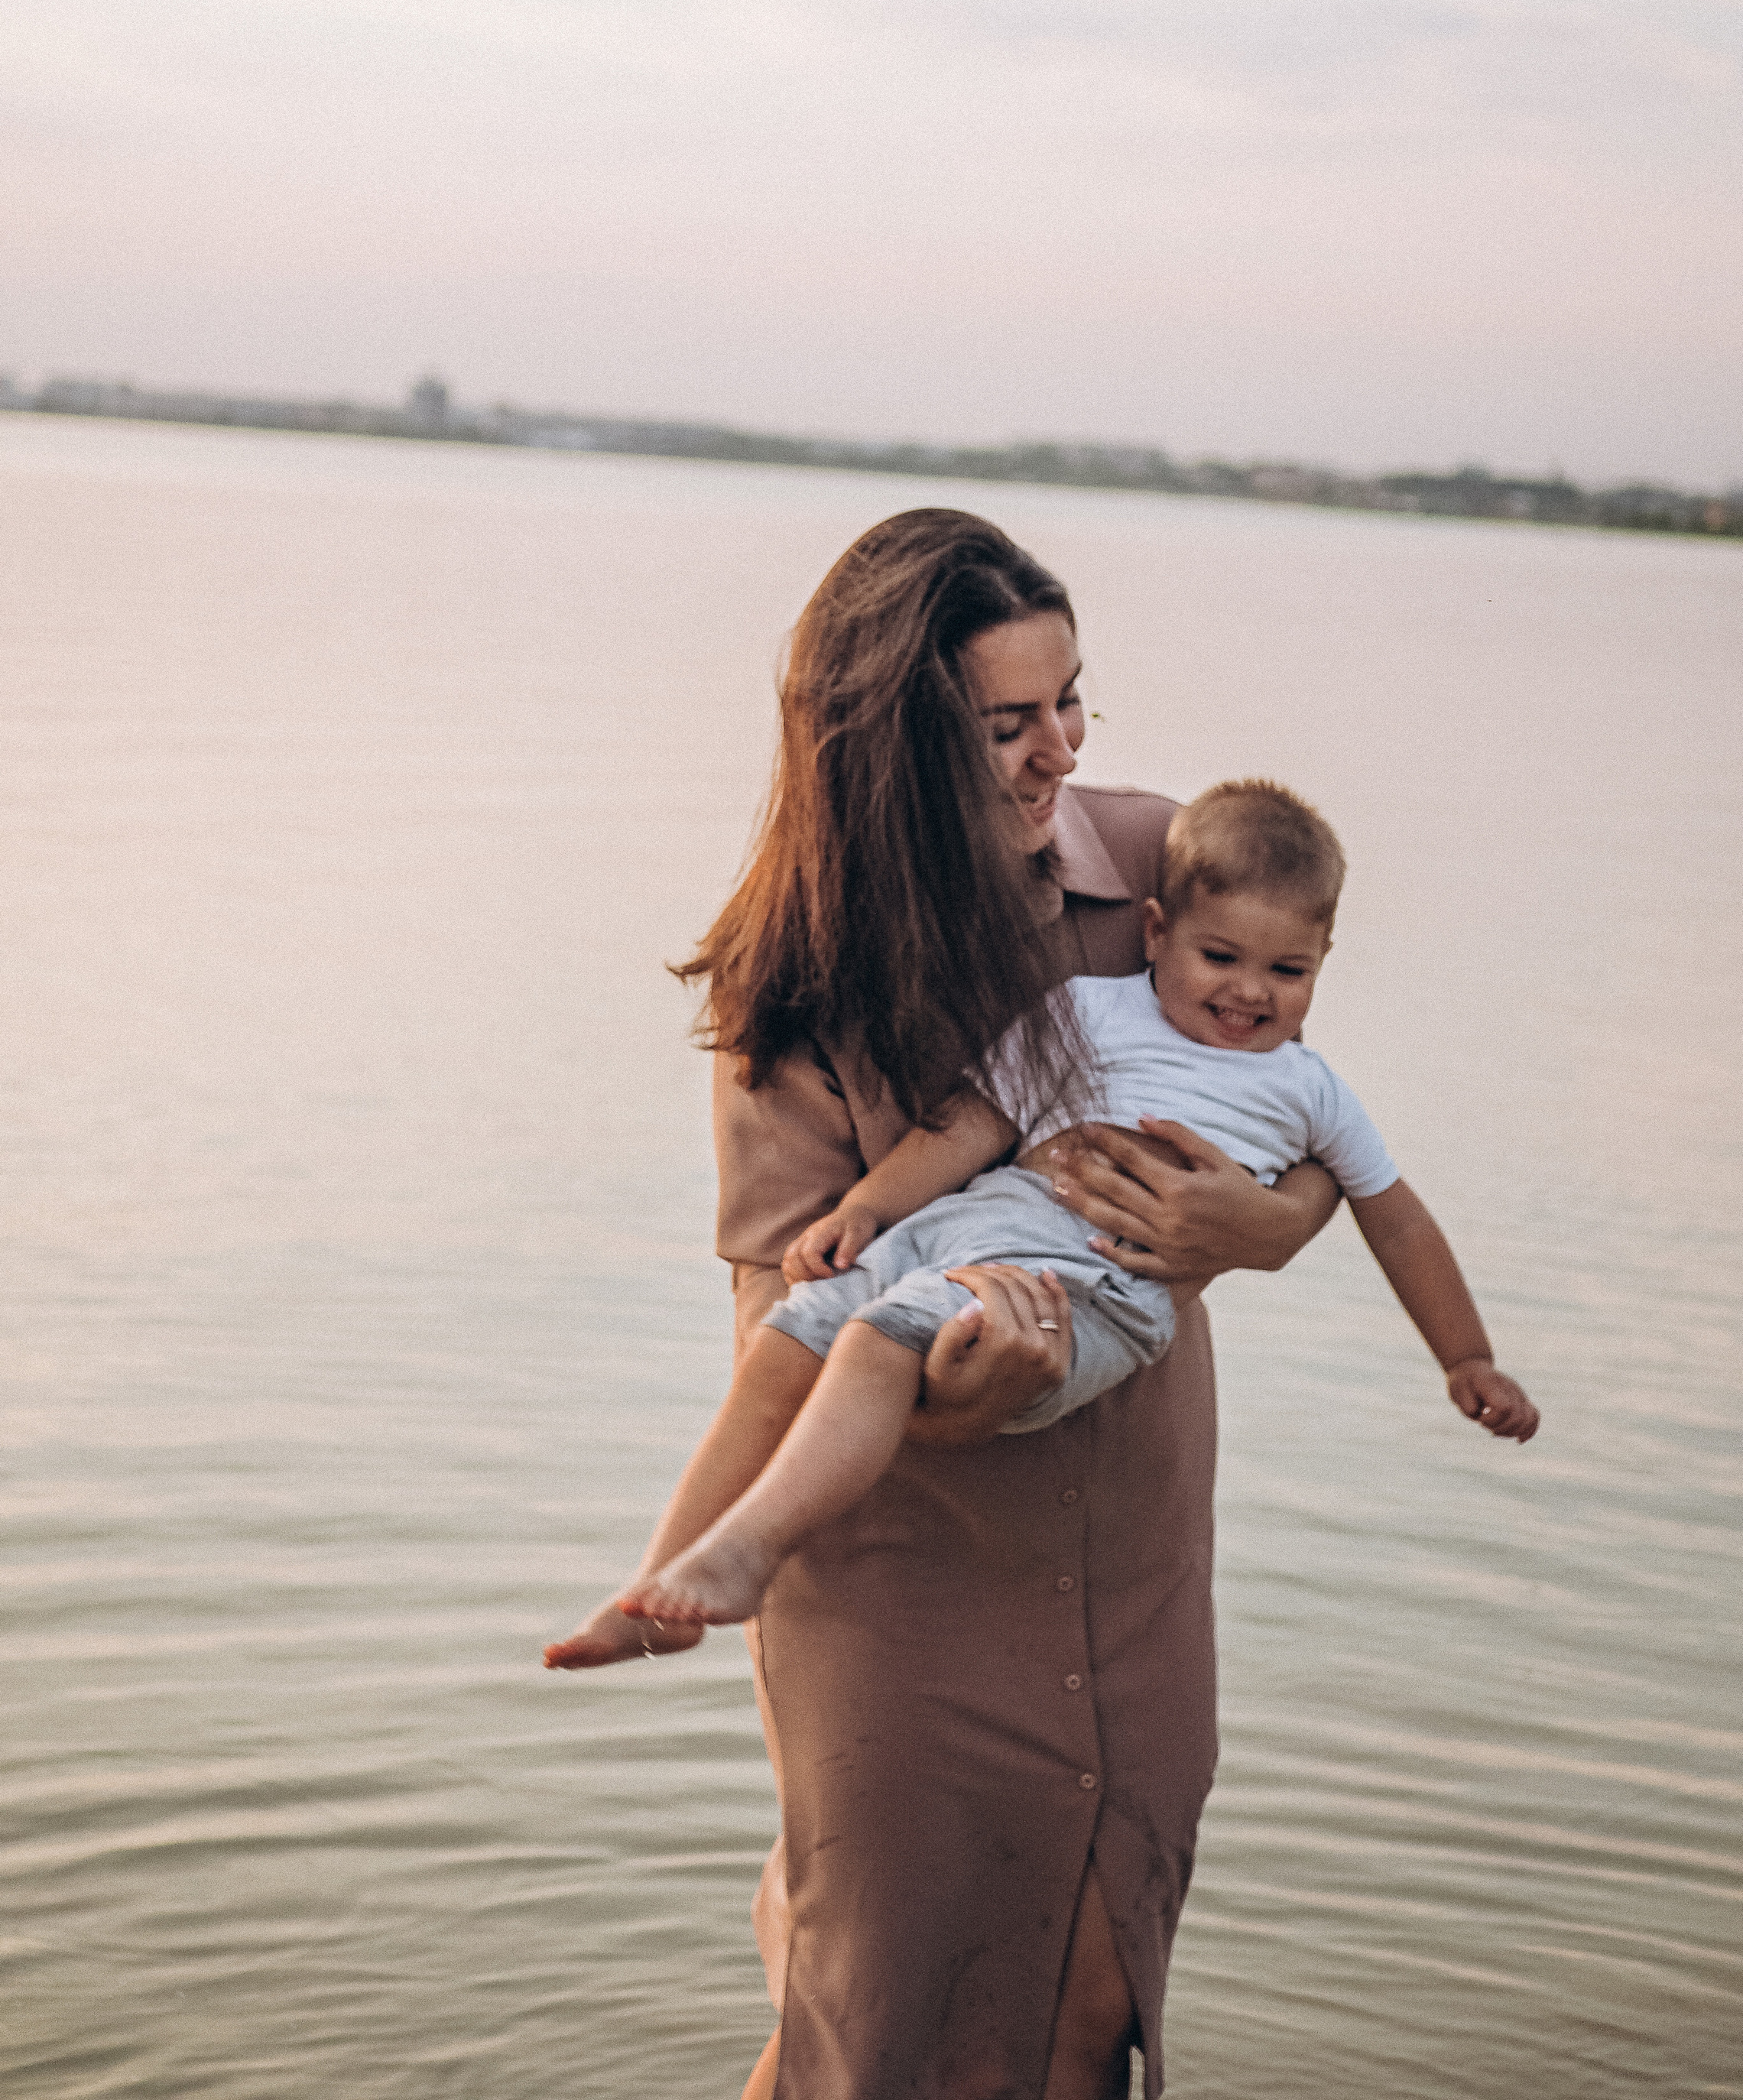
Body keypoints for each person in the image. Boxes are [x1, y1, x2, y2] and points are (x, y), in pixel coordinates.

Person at [550, 510, 1350, 2100]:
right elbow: (781, 1310)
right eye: (1006, 725)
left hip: (1129, 1551)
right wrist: (951, 1395)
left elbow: (1313, 1130)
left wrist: (1254, 1228)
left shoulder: (1161, 869)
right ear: (896, 748)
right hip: (899, 1577)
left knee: (1095, 2000)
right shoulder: (790, 988)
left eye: (1072, 702)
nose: (1058, 749)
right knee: (873, 2028)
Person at [550, 778, 1536, 1647]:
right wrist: (862, 1212)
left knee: (871, 1346)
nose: (1247, 993)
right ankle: (657, 1580)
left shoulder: (1310, 1089)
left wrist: (1466, 1356)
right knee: (788, 1338)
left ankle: (748, 1555)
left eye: (1288, 972)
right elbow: (969, 1128)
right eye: (1220, 956)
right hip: (966, 1228)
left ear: (1323, 961)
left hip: (1095, 1286)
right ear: (1156, 934)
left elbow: (1395, 1217)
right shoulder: (1087, 1010)